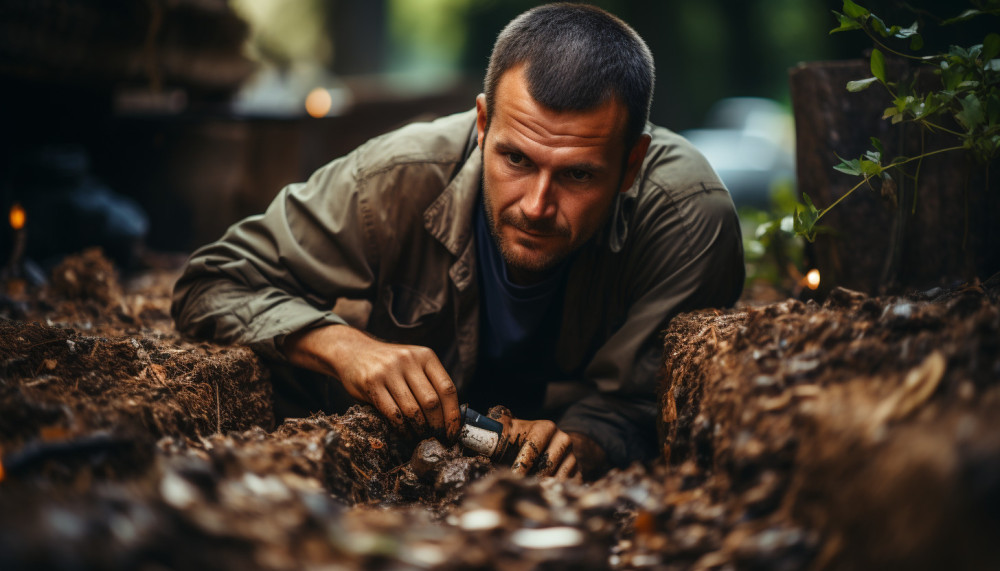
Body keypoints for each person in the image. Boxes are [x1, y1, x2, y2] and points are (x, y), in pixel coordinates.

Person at [171, 3, 744, 481]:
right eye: (515, 158)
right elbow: (213, 281)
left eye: (578, 175)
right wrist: (345, 347)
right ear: (482, 124)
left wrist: (582, 443)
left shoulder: (687, 220)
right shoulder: (393, 179)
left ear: (631, 165)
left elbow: (647, 407)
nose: (537, 205)